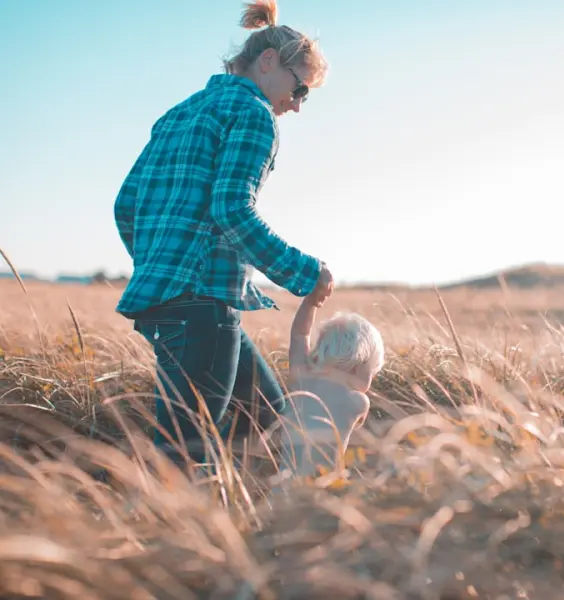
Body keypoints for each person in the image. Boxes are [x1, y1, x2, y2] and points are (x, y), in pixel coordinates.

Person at [113, 0, 332, 469]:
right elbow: (232, 210)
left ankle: (260, 526)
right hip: (202, 307)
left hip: (169, 301)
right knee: (183, 458)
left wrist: (161, 268)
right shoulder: (255, 115)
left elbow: (126, 206)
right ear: (269, 62)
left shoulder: (179, 112)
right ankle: (166, 536)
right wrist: (305, 273)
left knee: (269, 419)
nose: (296, 105)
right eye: (301, 90)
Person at [277, 287, 384, 478]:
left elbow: (299, 334)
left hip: (283, 482)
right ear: (358, 366)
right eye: (372, 372)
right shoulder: (358, 402)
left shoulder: (302, 379)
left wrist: (311, 302)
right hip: (323, 485)